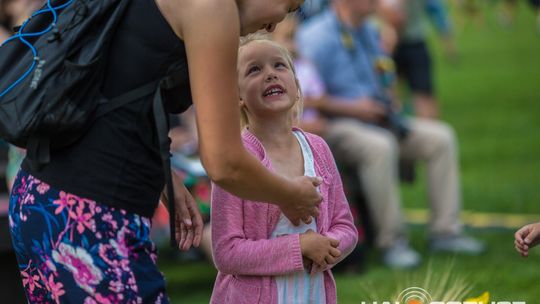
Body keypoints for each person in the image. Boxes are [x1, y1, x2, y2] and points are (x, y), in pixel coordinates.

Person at [7, 0, 323, 302]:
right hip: (88, 214)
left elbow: (117, 82)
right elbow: (225, 163)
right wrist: (290, 195)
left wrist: (161, 170)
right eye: (289, 6)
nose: (275, 25)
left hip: (39, 198)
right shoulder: (213, 6)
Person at [297, 0, 484, 269]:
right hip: (336, 125)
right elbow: (307, 97)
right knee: (380, 146)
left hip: (378, 118)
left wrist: (388, 99)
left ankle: (446, 232)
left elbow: (383, 75)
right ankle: (392, 243)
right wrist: (355, 108)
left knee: (440, 137)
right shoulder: (315, 36)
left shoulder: (370, 31)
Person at [210, 34, 358, 304]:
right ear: (237, 96)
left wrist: (326, 246)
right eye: (254, 69)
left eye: (280, 66)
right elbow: (226, 252)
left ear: (298, 85)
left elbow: (345, 226)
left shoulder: (318, 149)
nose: (270, 74)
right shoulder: (235, 159)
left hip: (313, 293)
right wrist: (300, 247)